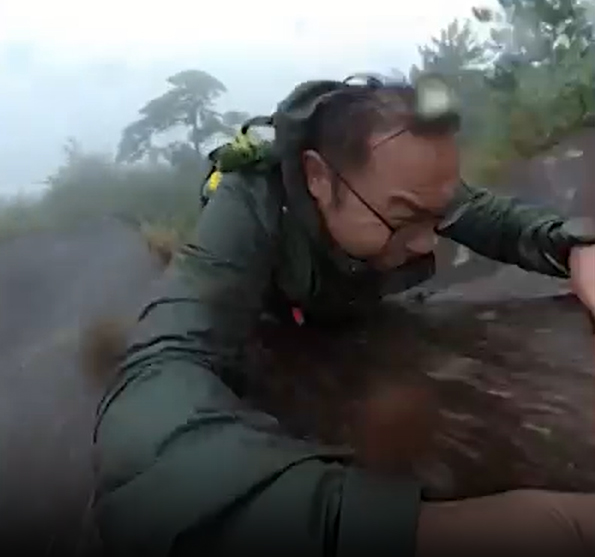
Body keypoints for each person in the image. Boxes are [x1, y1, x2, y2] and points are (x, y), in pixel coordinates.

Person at [92, 74, 595, 556]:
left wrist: (574, 245)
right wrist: (390, 532)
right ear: (317, 177)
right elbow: (155, 386)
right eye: (402, 219)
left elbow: (491, 217)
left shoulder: (393, 177)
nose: (428, 243)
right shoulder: (248, 206)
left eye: (434, 219)